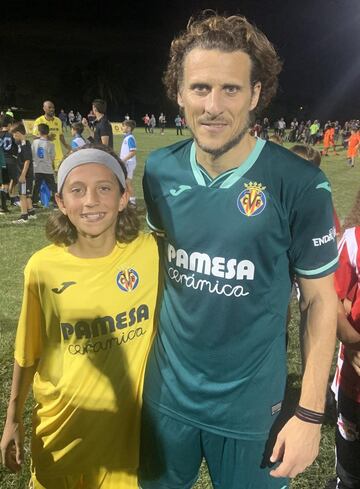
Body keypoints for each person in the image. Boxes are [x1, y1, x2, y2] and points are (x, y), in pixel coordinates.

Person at [139, 12, 339, 489]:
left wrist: (310, 414)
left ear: (255, 94)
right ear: (180, 93)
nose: (213, 105)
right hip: (165, 399)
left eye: (230, 89)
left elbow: (319, 300)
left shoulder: (301, 183)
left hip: (253, 410)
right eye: (200, 88)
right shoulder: (159, 170)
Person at [0, 144, 159, 489]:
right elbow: (28, 352)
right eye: (77, 189)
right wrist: (13, 417)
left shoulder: (151, 253)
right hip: (60, 435)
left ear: (123, 196)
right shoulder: (43, 268)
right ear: (60, 202)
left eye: (104, 188)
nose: (90, 200)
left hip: (124, 445)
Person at [330, 193, 360, 489]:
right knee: (351, 470)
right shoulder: (353, 241)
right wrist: (350, 341)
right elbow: (333, 298)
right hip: (355, 385)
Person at [10, 122, 36, 224]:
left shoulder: (25, 144)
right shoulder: (21, 143)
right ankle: (32, 213)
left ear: (19, 133)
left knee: (22, 195)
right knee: (27, 195)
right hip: (24, 174)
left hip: (25, 175)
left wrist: (22, 175)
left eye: (14, 135)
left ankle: (24, 217)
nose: (14, 137)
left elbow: (27, 160)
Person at [33, 101, 71, 171]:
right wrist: (47, 137)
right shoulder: (39, 121)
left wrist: (65, 145)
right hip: (45, 153)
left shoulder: (58, 121)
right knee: (47, 176)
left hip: (58, 153)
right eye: (49, 107)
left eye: (53, 107)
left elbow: (60, 135)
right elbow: (34, 137)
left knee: (59, 173)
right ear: (44, 108)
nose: (52, 109)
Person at [31, 123, 57, 207]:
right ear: (48, 132)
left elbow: (32, 154)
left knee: (37, 186)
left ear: (39, 132)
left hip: (37, 168)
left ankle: (34, 202)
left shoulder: (34, 142)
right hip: (47, 168)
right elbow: (52, 157)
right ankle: (56, 202)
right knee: (53, 186)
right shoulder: (51, 144)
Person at [0, 114, 19, 211]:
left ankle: (3, 205)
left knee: (4, 183)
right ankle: (11, 198)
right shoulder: (11, 135)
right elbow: (16, 148)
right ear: (9, 124)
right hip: (10, 160)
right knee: (14, 179)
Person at [120, 119, 137, 205]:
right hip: (126, 163)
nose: (122, 127)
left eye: (124, 126)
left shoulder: (130, 138)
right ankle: (127, 199)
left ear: (129, 128)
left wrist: (123, 159)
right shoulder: (126, 137)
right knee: (125, 182)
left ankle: (132, 201)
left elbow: (133, 151)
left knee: (127, 182)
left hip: (129, 163)